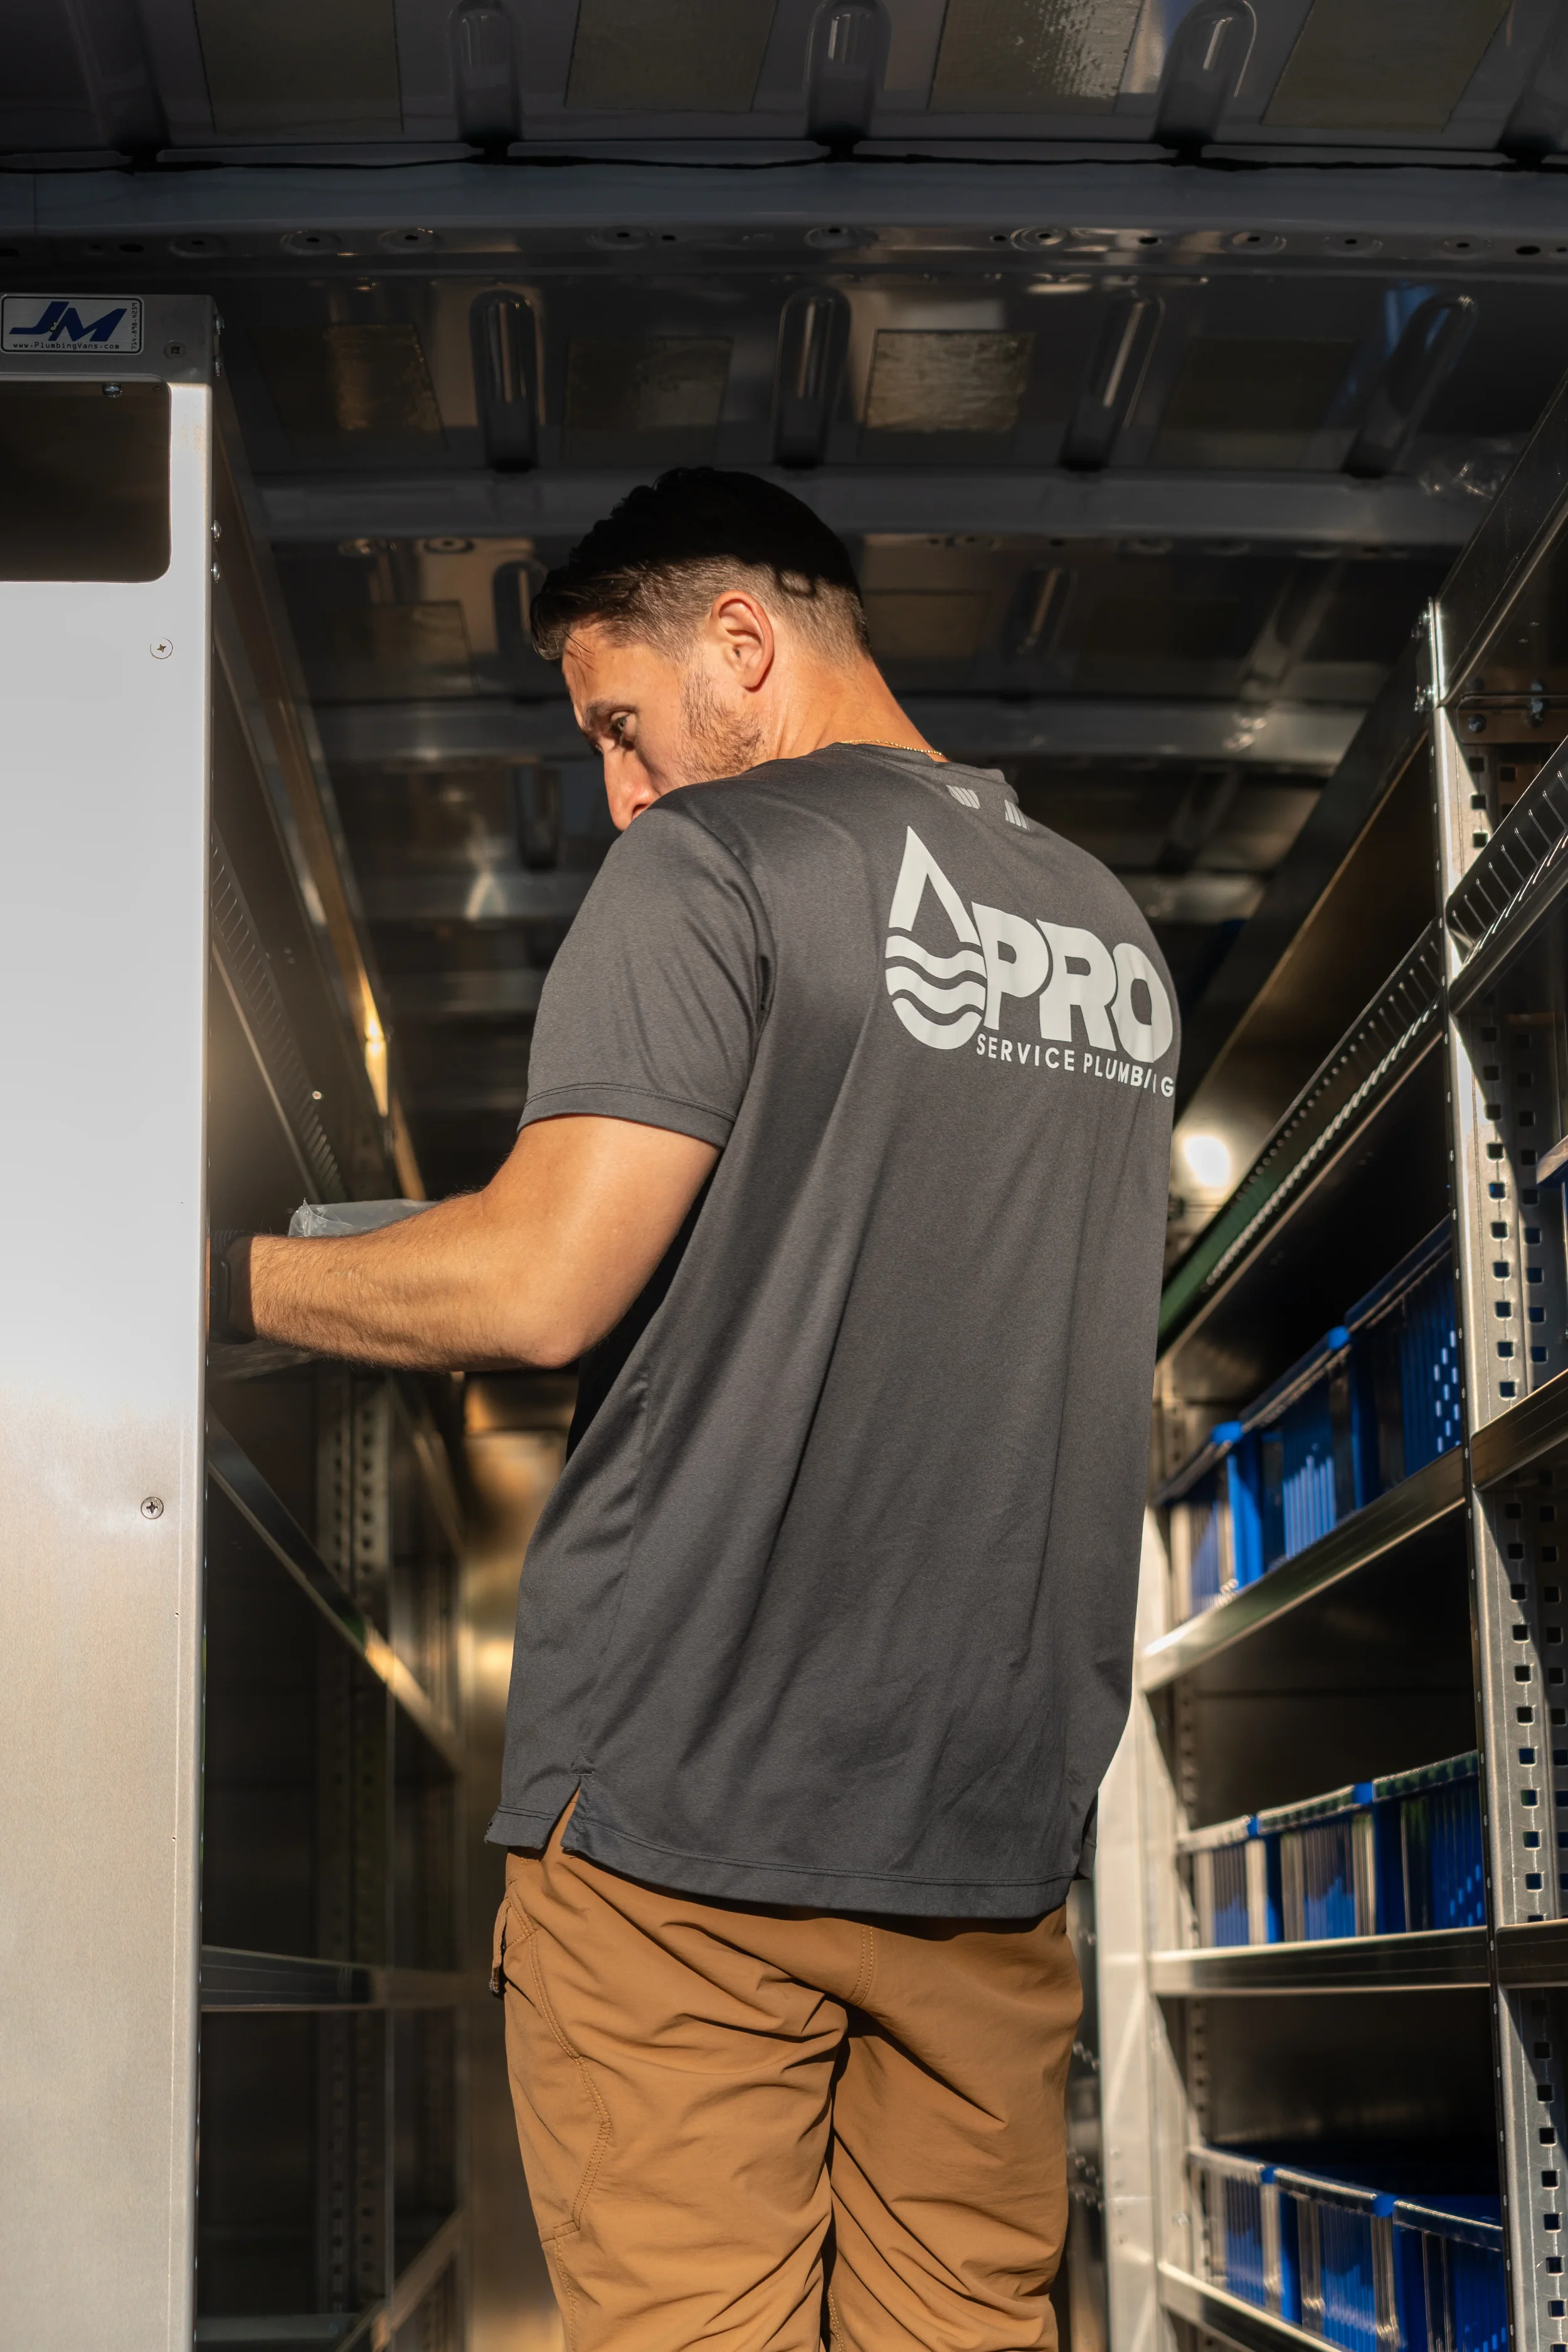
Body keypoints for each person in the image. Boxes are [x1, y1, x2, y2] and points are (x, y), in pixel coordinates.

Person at [220, 469, 1179, 2352]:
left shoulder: (720, 863)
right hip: (979, 1854)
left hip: (684, 1828)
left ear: (741, 641)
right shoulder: (1106, 933)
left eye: (619, 723)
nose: (622, 790)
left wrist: (209, 1277)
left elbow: (538, 1281)